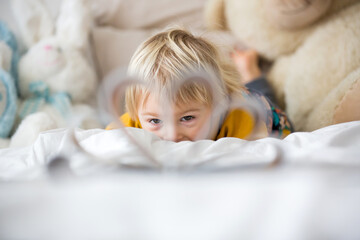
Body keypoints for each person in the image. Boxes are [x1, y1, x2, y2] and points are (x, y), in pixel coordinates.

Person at [106, 28, 293, 141]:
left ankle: (249, 71)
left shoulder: (242, 118)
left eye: (187, 118)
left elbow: (260, 158)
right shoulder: (136, 118)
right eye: (155, 121)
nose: (172, 136)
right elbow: (106, 139)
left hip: (262, 112)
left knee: (262, 96)